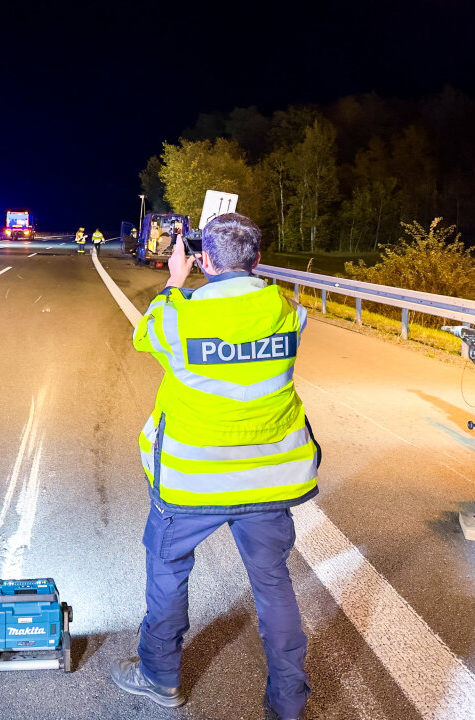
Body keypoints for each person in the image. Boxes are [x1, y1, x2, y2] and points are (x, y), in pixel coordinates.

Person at [111, 213, 318, 720]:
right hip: (271, 476)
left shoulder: (178, 317)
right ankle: (289, 702)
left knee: (167, 569)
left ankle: (160, 678)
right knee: (272, 583)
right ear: (259, 261)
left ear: (203, 261)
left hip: (193, 481)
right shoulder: (289, 311)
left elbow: (144, 335)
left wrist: (174, 280)